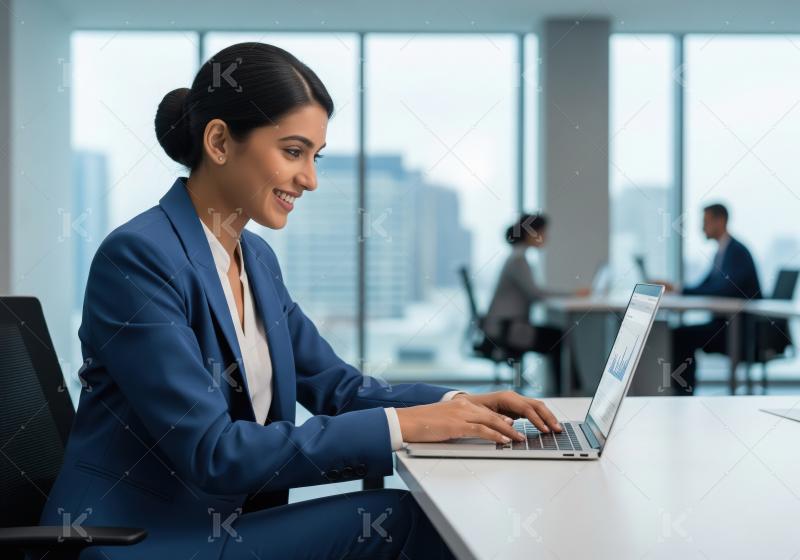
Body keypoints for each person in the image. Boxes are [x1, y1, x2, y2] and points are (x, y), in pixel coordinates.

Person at [39, 43, 564, 559]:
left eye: (315, 156)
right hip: (137, 538)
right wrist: (405, 427)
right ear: (219, 141)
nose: (309, 179)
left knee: (402, 514)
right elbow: (213, 452)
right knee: (399, 522)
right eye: (293, 152)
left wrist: (456, 405)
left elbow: (338, 387)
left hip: (225, 522)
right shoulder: (139, 258)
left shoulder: (256, 260)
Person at [483, 214, 589, 395]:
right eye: (543, 232)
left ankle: (568, 391)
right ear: (532, 234)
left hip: (504, 326)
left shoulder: (517, 257)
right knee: (559, 337)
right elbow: (536, 293)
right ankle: (566, 393)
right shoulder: (518, 260)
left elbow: (535, 292)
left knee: (557, 336)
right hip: (506, 330)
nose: (546, 237)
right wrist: (573, 293)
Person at [662, 203, 762, 394]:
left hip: (740, 332)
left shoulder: (737, 252)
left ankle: (683, 396)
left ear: (721, 221)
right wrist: (677, 288)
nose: (702, 228)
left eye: (706, 222)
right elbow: (705, 286)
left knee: (681, 335)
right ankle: (682, 393)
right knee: (680, 334)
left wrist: (680, 290)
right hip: (724, 326)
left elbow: (722, 289)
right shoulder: (721, 252)